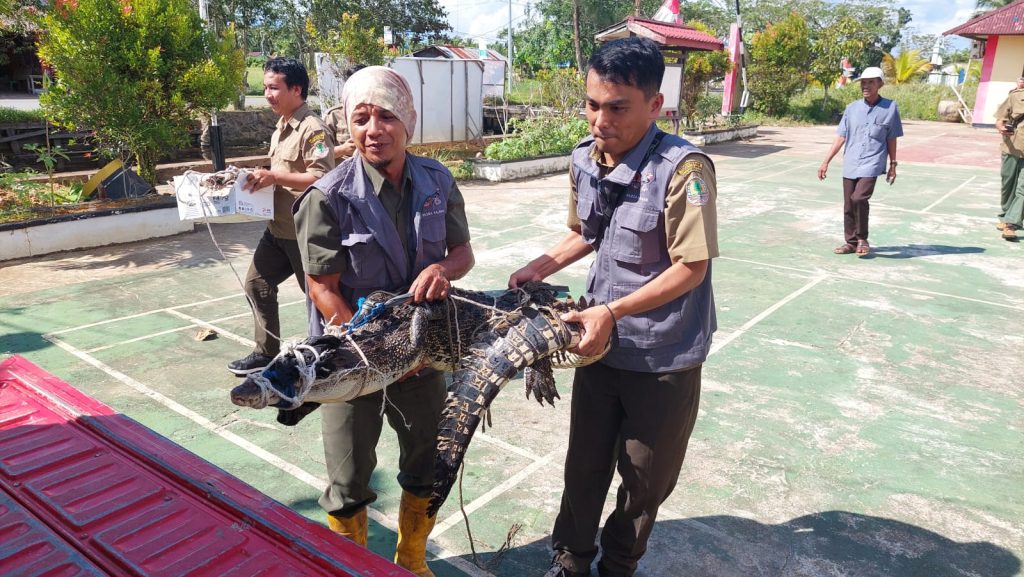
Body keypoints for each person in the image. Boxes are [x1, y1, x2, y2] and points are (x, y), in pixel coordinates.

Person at [508, 37, 718, 577]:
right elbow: (586, 232)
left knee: (646, 480)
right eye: (592, 104)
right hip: (597, 347)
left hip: (663, 355)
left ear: (655, 105)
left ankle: (619, 564)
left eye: (618, 107)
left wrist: (613, 312)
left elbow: (689, 268)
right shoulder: (585, 158)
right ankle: (571, 559)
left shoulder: (684, 169)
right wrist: (540, 266)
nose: (601, 120)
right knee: (584, 466)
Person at [293, 66, 475, 577]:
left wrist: (442, 268)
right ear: (347, 128)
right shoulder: (327, 197)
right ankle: (353, 568)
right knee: (348, 480)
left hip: (422, 355)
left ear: (408, 121)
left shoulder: (438, 180)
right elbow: (322, 288)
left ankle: (412, 560)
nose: (374, 129)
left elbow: (462, 254)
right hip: (351, 364)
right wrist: (369, 351)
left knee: (427, 465)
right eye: (361, 117)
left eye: (386, 115)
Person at [227, 57, 335, 375]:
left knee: (320, 301)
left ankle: (335, 355)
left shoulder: (312, 129)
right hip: (277, 229)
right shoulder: (281, 128)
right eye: (265, 88)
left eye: (274, 87)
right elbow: (280, 173)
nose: (268, 94)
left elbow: (321, 178)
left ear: (296, 89)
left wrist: (274, 178)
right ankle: (265, 351)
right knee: (256, 285)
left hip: (306, 233)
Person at [818, 66, 903, 258]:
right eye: (863, 82)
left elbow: (891, 138)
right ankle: (851, 242)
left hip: (872, 162)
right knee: (849, 204)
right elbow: (841, 137)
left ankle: (863, 238)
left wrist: (893, 164)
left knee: (859, 198)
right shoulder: (852, 108)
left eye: (871, 82)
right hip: (851, 161)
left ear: (880, 84)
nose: (866, 86)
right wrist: (826, 161)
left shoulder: (890, 108)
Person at [994, 76, 1024, 241]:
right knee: (1008, 184)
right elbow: (999, 120)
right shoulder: (1015, 97)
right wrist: (1001, 128)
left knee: (1023, 189)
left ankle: (1011, 224)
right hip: (1011, 148)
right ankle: (1006, 214)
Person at [322, 64, 367, 161]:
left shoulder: (380, 115)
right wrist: (342, 150)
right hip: (344, 173)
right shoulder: (333, 116)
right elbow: (318, 152)